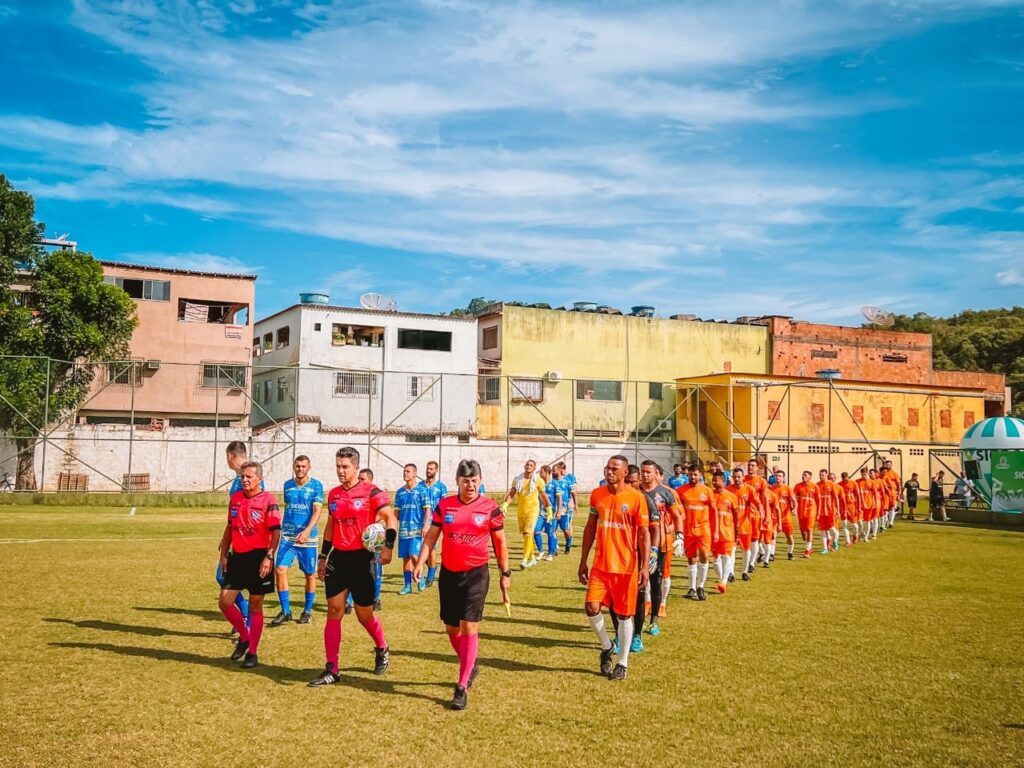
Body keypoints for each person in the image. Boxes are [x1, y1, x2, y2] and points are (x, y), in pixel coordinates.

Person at [414, 459, 511, 711]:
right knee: (451, 629)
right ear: (457, 481)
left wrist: (506, 573)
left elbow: (500, 543)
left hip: (477, 575)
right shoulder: (444, 505)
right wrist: (421, 563)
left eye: (475, 481)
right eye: (466, 481)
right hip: (449, 574)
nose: (470, 485)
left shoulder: (490, 508)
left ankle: (461, 685)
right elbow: (431, 537)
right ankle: (470, 664)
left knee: (470, 627)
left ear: (480, 481)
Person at [308, 447, 397, 687]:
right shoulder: (334, 495)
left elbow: (391, 518)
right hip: (339, 559)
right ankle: (332, 668)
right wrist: (323, 556)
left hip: (362, 560)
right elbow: (330, 526)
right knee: (334, 610)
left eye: (345, 466)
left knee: (363, 615)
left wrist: (388, 547)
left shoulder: (371, 492)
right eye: (338, 466)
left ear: (356, 468)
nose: (340, 470)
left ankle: (382, 646)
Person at [579, 455, 650, 681]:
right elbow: (590, 527)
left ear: (624, 473)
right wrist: (583, 560)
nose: (609, 472)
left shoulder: (637, 498)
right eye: (607, 468)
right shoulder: (597, 495)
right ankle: (607, 646)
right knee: (591, 607)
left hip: (626, 567)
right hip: (601, 565)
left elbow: (644, 534)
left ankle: (623, 662)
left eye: (614, 468)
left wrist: (644, 566)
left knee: (624, 615)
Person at [217, 461, 281, 669]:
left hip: (259, 558)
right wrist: (224, 554)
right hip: (238, 558)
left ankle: (252, 652)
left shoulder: (268, 501)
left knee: (255, 605)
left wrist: (268, 557)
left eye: (249, 476)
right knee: (225, 602)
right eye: (242, 476)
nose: (244, 480)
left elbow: (276, 532)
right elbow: (229, 527)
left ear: (259, 479)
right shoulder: (235, 499)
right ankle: (244, 637)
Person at [270, 455, 324, 626]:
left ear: (309, 467)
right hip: (288, 536)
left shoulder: (316, 486)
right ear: (294, 466)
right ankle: (285, 611)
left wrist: (307, 531)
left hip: (308, 538)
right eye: (298, 466)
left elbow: (317, 512)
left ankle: (307, 611)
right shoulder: (287, 486)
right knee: (279, 570)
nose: (300, 469)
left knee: (309, 574)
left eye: (303, 466)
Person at [218, 441, 261, 634]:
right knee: (221, 577)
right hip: (237, 539)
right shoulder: (239, 479)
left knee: (250, 588)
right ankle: (245, 617)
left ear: (229, 456)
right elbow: (233, 516)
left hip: (251, 544)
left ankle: (247, 620)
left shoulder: (252, 479)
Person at [633, 460, 674, 647]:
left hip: (659, 545)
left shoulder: (666, 493)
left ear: (656, 473)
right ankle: (634, 625)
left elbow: (677, 515)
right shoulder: (635, 491)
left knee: (656, 581)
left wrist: (678, 534)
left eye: (648, 472)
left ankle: (654, 621)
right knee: (639, 586)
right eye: (643, 472)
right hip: (636, 546)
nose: (645, 475)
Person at [680, 465, 718, 601]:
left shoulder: (707, 491)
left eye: (695, 474)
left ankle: (701, 586)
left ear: (700, 475)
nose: (693, 477)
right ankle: (692, 588)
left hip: (703, 529)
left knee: (704, 555)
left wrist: (716, 530)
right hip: (688, 530)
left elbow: (714, 511)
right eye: (690, 474)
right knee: (691, 558)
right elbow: (677, 510)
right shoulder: (681, 491)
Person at [505, 459, 550, 569]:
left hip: (533, 511)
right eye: (527, 464)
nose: (528, 466)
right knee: (526, 535)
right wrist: (505, 504)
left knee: (529, 533)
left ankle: (524, 559)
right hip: (521, 511)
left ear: (534, 468)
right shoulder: (517, 479)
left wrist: (549, 509)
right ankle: (533, 558)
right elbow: (512, 493)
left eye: (531, 465)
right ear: (524, 466)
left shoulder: (538, 480)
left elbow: (544, 496)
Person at [395, 463, 428, 594]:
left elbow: (428, 510)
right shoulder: (400, 492)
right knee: (406, 558)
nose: (405, 473)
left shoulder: (421, 490)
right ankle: (407, 586)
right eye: (404, 471)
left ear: (415, 474)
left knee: (414, 555)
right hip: (403, 530)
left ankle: (421, 578)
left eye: (408, 471)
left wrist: (426, 525)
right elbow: (396, 513)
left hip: (417, 530)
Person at [418, 461, 448, 588]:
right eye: (427, 468)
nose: (428, 471)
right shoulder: (420, 485)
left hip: (434, 523)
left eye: (431, 469)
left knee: (431, 550)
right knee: (418, 550)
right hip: (420, 521)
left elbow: (444, 505)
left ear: (436, 471)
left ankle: (430, 575)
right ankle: (431, 567)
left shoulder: (441, 487)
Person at [357, 467, 384, 611]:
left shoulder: (376, 493)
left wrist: (370, 527)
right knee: (354, 569)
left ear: (370, 480)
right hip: (357, 537)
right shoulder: (355, 494)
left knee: (376, 568)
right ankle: (349, 602)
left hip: (374, 538)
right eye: (359, 478)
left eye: (363, 479)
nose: (360, 481)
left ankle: (376, 598)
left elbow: (384, 513)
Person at [710, 471, 737, 593]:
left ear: (723, 480)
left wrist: (737, 530)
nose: (714, 482)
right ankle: (721, 580)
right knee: (716, 558)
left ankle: (724, 582)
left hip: (727, 531)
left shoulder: (731, 496)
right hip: (712, 531)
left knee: (727, 557)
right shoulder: (710, 494)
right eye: (713, 480)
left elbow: (736, 515)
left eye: (717, 480)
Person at [729, 467, 758, 579]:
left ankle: (744, 572)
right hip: (731, 526)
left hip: (745, 525)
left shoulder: (749, 489)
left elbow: (756, 502)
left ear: (743, 477)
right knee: (732, 549)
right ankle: (731, 572)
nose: (737, 479)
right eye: (735, 477)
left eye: (739, 477)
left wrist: (761, 511)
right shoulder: (728, 489)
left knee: (746, 549)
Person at [744, 459, 771, 564]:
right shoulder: (743, 479)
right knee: (745, 538)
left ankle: (751, 563)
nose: (750, 467)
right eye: (749, 465)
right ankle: (760, 552)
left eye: (753, 465)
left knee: (755, 538)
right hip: (744, 514)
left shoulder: (762, 481)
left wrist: (767, 515)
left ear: (757, 467)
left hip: (756, 514)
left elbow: (765, 500)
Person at [535, 465, 562, 561]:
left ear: (547, 473)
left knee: (551, 533)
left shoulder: (555, 484)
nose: (540, 474)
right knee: (536, 531)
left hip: (552, 514)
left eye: (541, 472)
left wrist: (559, 511)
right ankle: (541, 551)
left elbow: (559, 498)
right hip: (541, 513)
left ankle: (550, 554)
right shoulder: (539, 484)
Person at [771, 469, 797, 559]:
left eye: (779, 476)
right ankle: (771, 554)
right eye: (776, 476)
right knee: (773, 534)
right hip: (774, 516)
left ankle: (790, 553)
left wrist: (794, 509)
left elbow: (794, 500)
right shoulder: (771, 488)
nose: (777, 478)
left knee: (789, 535)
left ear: (783, 478)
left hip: (786, 517)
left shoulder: (788, 488)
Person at [793, 471, 820, 558]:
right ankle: (808, 546)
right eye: (802, 475)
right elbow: (793, 498)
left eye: (805, 475)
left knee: (809, 529)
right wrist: (793, 508)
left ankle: (808, 549)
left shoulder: (815, 487)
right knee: (803, 532)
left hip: (811, 511)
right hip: (801, 511)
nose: (803, 476)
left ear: (810, 477)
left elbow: (819, 501)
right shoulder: (798, 486)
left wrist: (818, 513)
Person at [555, 462, 578, 553]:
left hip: (567, 506)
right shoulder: (554, 479)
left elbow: (574, 491)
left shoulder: (570, 478)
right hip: (556, 507)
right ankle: (554, 546)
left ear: (561, 469)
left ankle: (568, 544)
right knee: (553, 527)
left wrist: (573, 503)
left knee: (567, 526)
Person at [816, 469, 841, 554]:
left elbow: (836, 498)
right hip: (821, 512)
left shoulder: (831, 484)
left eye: (823, 475)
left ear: (826, 475)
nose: (821, 476)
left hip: (831, 511)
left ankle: (835, 541)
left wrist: (838, 510)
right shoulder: (817, 485)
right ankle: (825, 549)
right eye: (820, 475)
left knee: (833, 530)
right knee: (823, 531)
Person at [838, 471, 861, 544]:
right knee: (844, 524)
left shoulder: (853, 483)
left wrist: (859, 507)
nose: (845, 481)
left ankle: (855, 535)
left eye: (846, 479)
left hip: (851, 505)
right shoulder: (839, 485)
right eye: (843, 479)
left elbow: (858, 495)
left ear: (848, 477)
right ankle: (848, 541)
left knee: (854, 524)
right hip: (842, 506)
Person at [857, 468, 879, 541]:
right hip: (860, 505)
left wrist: (875, 503)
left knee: (867, 521)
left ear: (867, 474)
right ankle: (862, 533)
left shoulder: (872, 482)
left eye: (865, 474)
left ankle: (866, 536)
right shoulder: (858, 482)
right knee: (859, 521)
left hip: (869, 505)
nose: (863, 475)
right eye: (862, 474)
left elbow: (875, 493)